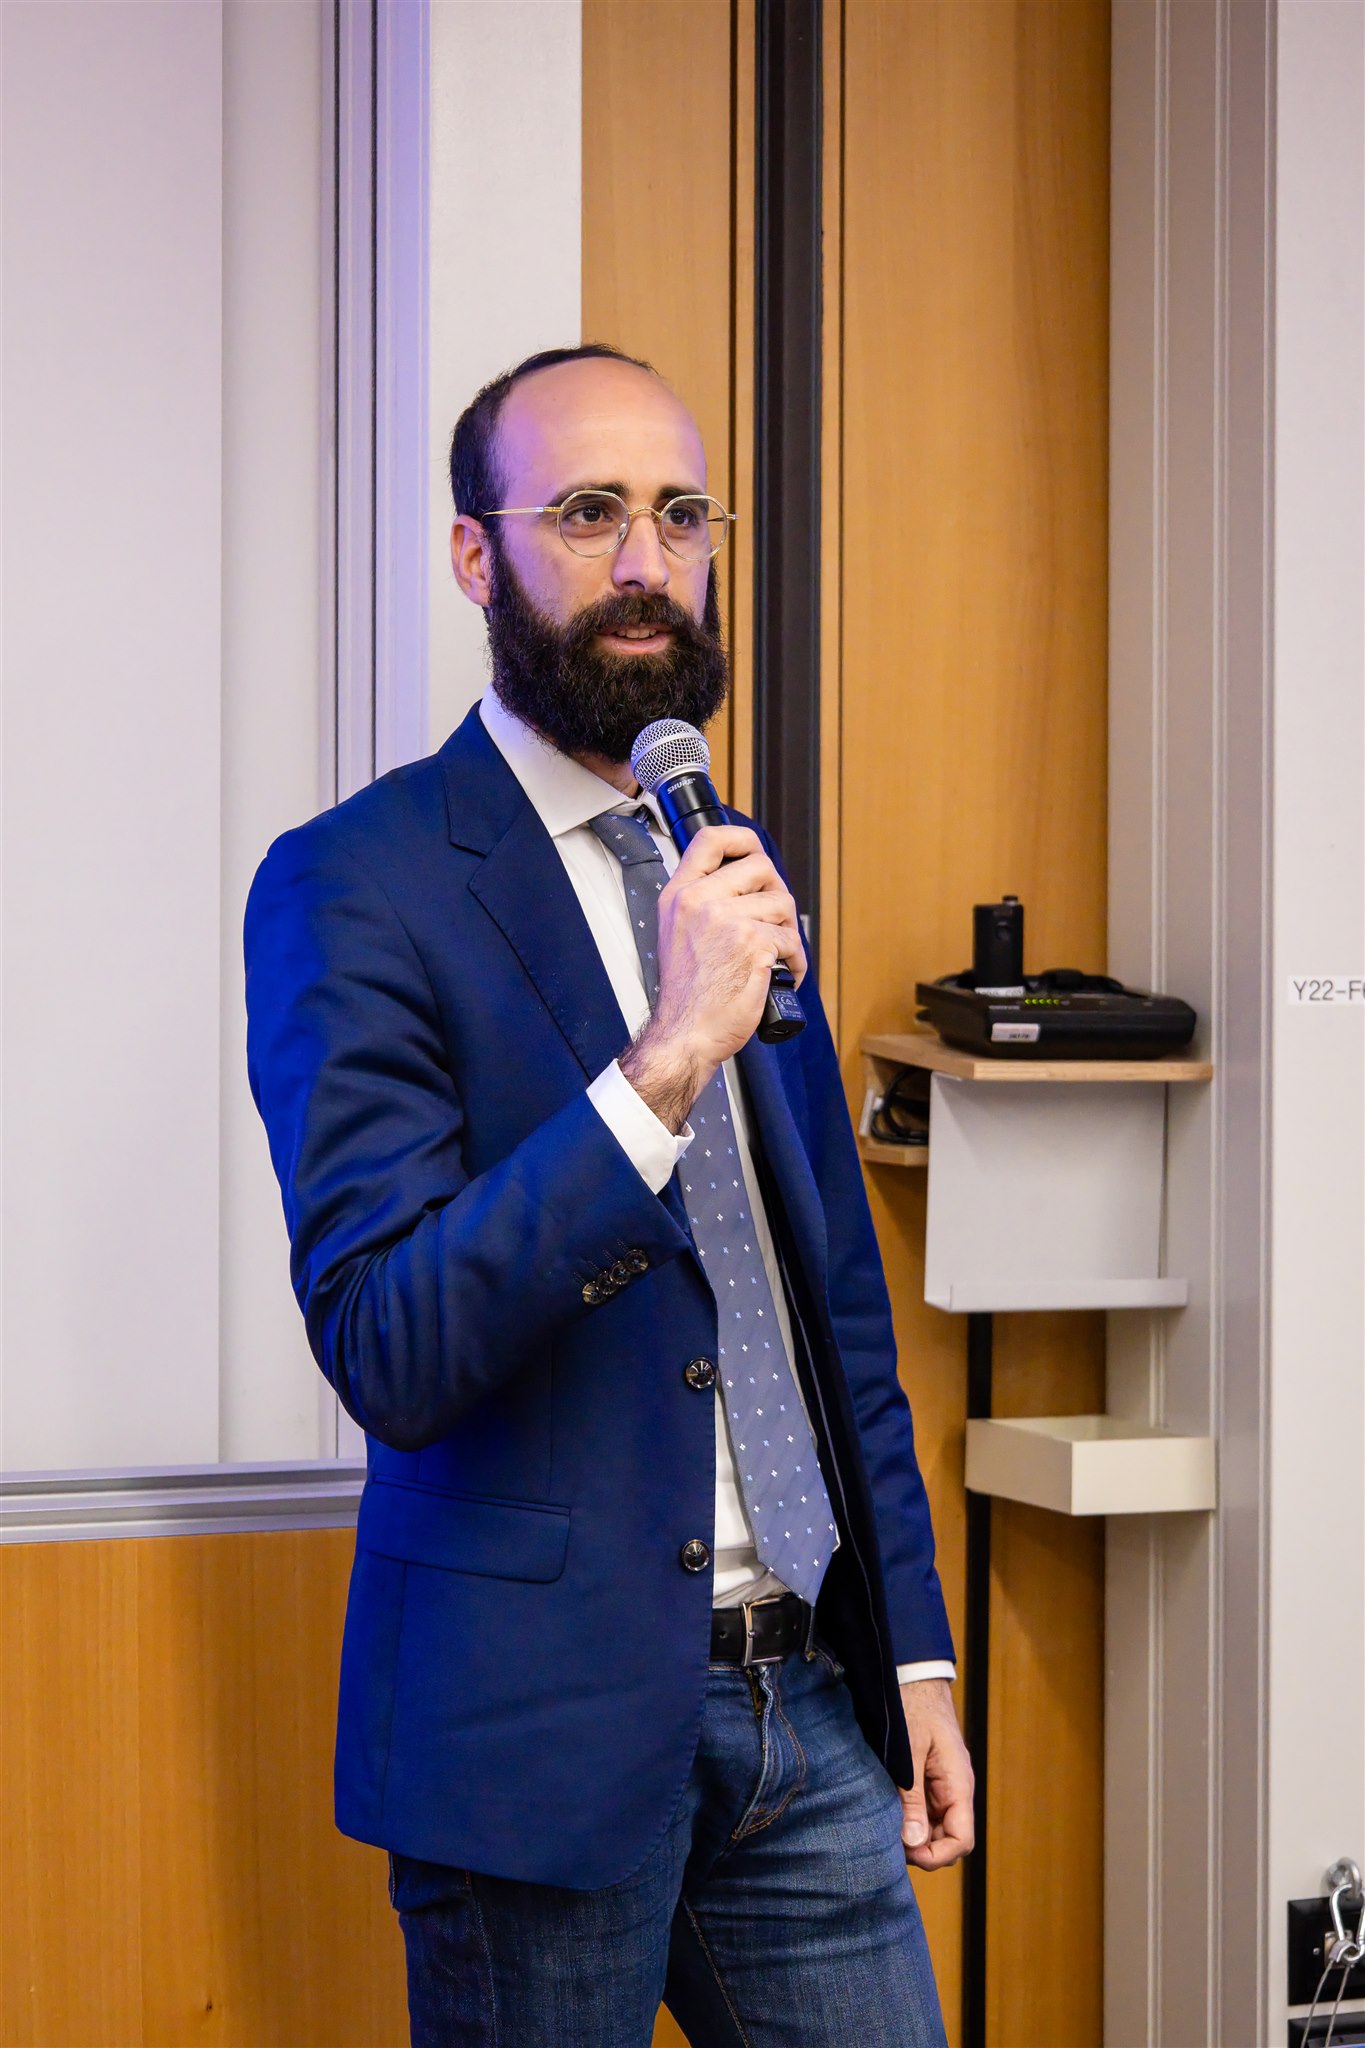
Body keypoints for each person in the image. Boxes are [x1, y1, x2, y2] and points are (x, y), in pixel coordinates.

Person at [244, 343, 973, 2048]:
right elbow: (388, 1342)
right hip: (536, 1734)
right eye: (587, 513)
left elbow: (828, 1314)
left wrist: (913, 1654)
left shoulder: (721, 862)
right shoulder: (356, 883)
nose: (647, 561)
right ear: (474, 555)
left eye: (679, 514)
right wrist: (662, 1063)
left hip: (813, 1711)